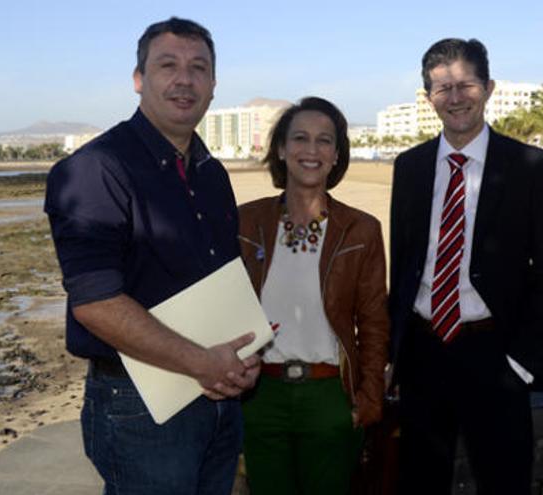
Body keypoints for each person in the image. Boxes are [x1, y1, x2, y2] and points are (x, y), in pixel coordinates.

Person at [44, 17, 259, 495]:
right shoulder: (95, 170)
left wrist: (243, 357)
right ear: (139, 79)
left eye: (198, 68)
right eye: (168, 65)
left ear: (213, 85)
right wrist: (202, 362)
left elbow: (222, 280)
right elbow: (95, 301)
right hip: (140, 403)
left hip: (217, 394)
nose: (184, 79)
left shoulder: (211, 173)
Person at [388, 38, 543, 494]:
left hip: (495, 355)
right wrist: (394, 354)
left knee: (504, 481)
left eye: (465, 84)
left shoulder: (528, 165)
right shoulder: (409, 168)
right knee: (419, 482)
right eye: (441, 88)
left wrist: (522, 364)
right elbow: (404, 267)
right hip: (424, 354)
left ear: (488, 87)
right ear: (428, 96)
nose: (455, 97)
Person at [237, 96, 390, 495]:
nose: (311, 149)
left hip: (329, 397)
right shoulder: (245, 221)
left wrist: (369, 398)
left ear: (337, 155)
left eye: (325, 141)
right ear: (282, 149)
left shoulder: (362, 230)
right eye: (300, 138)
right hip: (258, 396)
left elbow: (374, 322)